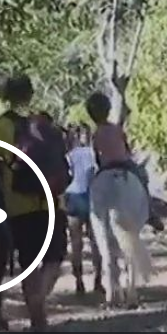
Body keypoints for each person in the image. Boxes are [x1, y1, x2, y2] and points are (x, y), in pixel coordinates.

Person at [0, 74, 68, 331]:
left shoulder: (0, 126)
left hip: (18, 206)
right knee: (54, 259)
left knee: (29, 261)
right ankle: (39, 305)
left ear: (6, 97)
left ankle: (37, 313)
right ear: (30, 95)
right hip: (52, 201)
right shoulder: (44, 123)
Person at [63, 124, 102, 295]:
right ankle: (98, 280)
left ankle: (78, 281)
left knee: (76, 243)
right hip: (89, 196)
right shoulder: (91, 153)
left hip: (72, 197)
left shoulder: (68, 155)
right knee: (95, 242)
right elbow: (93, 173)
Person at [85, 92, 149, 188]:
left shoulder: (96, 135)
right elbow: (127, 149)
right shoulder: (117, 129)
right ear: (108, 110)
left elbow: (97, 158)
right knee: (141, 178)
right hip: (125, 166)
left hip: (106, 169)